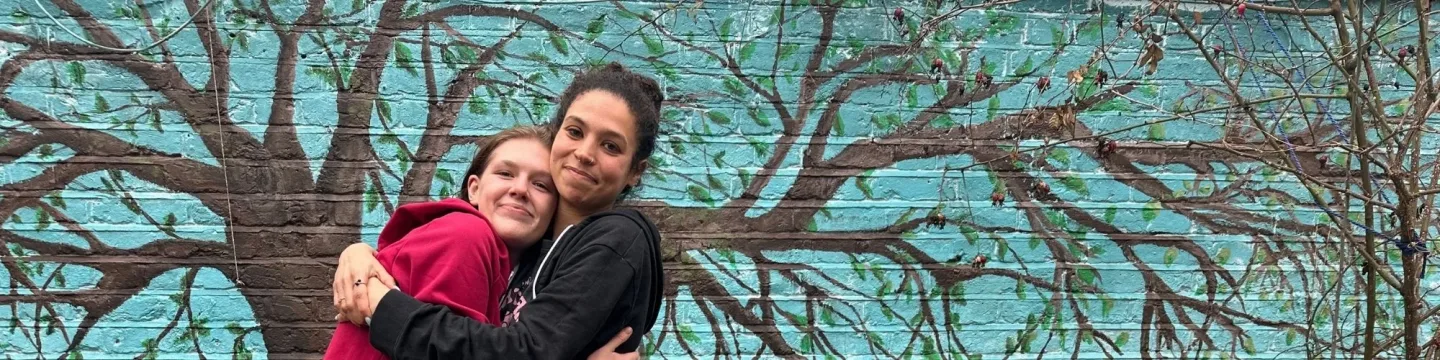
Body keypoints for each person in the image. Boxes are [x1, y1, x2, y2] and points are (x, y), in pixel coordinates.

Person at [332, 62, 667, 360]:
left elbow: (526, 351)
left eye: (611, 146)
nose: (585, 153)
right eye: (575, 132)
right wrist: (359, 254)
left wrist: (380, 303)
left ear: (636, 171)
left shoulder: (619, 238)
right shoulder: (532, 249)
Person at [323, 126, 558, 359]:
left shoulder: (522, 275)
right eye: (506, 173)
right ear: (474, 189)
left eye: (540, 185)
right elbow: (443, 352)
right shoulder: (467, 234)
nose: (520, 189)